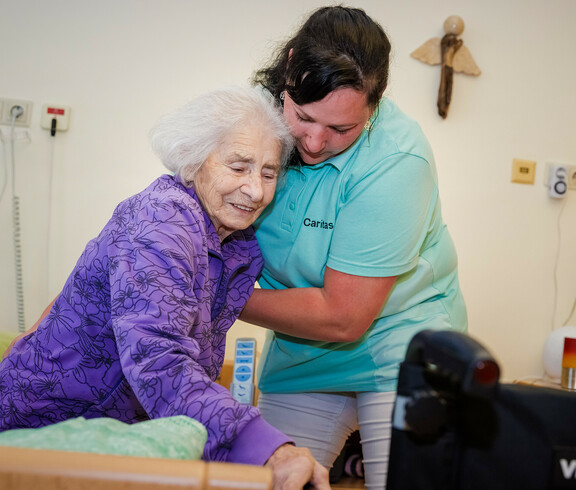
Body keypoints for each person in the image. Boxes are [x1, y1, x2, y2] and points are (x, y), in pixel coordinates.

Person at [0, 86, 329, 490]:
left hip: (122, 433)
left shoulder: (236, 242)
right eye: (239, 166)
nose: (257, 190)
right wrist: (266, 448)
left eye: (268, 172)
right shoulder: (162, 222)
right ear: (192, 163)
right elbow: (160, 361)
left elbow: (192, 363)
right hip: (46, 432)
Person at [240, 6, 468, 489]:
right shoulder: (249, 119)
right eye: (302, 117)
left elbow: (345, 316)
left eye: (341, 129)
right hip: (303, 352)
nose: (316, 142)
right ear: (289, 67)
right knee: (268, 481)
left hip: (401, 347)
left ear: (376, 103)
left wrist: (220, 295)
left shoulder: (397, 161)